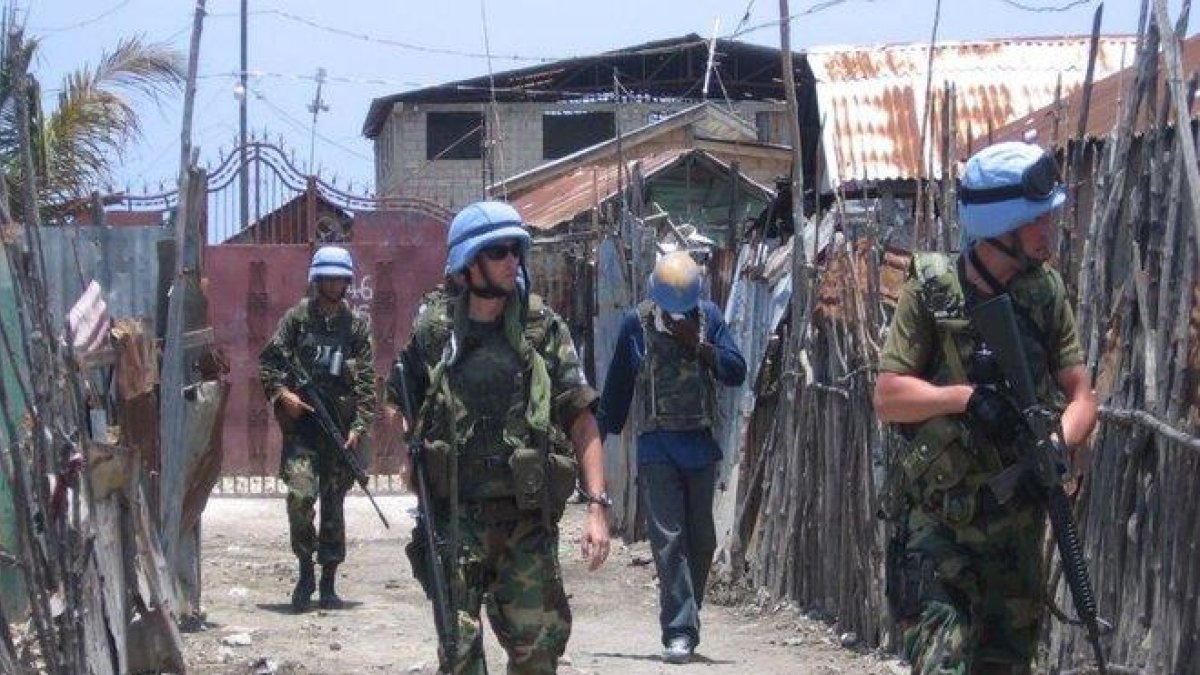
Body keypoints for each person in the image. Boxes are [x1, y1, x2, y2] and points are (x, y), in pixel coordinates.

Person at [872, 141, 1098, 674]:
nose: (1050, 228)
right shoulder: (931, 290)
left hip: (1014, 526)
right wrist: (965, 399)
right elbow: (887, 397)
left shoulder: (1045, 292)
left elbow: (1083, 397)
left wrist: (1056, 443)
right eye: (1039, 218)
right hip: (938, 527)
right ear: (1004, 226)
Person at [391, 200, 610, 674]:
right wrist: (410, 455)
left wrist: (597, 508)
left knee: (539, 656)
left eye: (517, 250)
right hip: (456, 521)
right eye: (499, 251)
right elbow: (403, 396)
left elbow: (582, 420)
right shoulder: (435, 331)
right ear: (469, 263)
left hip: (525, 522)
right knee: (459, 656)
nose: (513, 261)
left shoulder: (541, 329)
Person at [597, 250, 746, 664]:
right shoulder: (637, 324)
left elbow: (736, 370)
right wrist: (593, 444)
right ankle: (678, 629)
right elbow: (617, 391)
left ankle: (689, 618)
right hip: (657, 446)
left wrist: (698, 345)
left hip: (699, 446)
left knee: (702, 541)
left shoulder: (710, 317)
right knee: (668, 541)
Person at [258, 245, 377, 612]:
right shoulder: (297, 320)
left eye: (339, 277)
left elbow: (368, 383)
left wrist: (359, 426)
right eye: (327, 277)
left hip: (338, 432)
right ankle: (305, 569)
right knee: (299, 497)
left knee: (334, 509)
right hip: (304, 433)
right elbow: (269, 363)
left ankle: (328, 584)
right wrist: (283, 395)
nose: (333, 283)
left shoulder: (355, 327)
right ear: (316, 280)